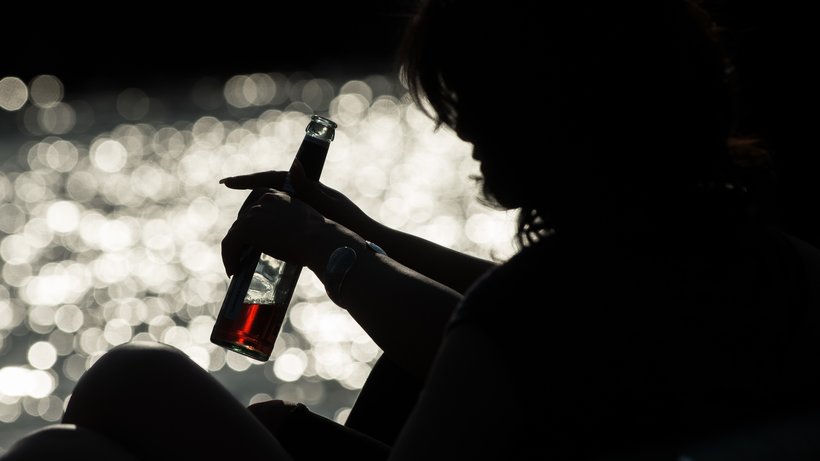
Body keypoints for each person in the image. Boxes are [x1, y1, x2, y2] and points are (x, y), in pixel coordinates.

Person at [3, 0, 820, 459]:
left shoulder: (533, 314)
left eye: (474, 102)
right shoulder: (762, 260)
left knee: (113, 398)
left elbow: (502, 329)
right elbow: (507, 310)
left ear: (555, 111)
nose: (461, 129)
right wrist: (358, 231)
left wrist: (327, 249)